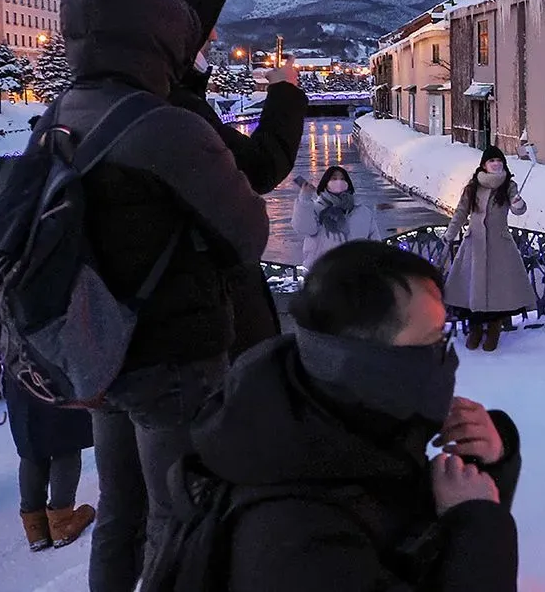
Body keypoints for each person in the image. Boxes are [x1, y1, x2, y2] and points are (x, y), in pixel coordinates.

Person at [54, 0, 272, 592]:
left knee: (120, 511)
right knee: (180, 514)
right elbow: (248, 234)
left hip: (96, 352)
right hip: (170, 358)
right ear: (158, 38)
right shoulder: (166, 125)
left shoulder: (62, 113)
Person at [179, 240, 520, 591]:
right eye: (434, 340)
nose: (446, 357)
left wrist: (488, 461)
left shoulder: (354, 431)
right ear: (371, 364)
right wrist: (479, 523)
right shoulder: (298, 542)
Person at [141, 0, 307, 357]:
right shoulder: (176, 109)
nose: (214, 36)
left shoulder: (119, 99)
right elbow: (261, 167)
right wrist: (284, 92)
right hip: (199, 335)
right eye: (206, 26)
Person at [0, 162, 97, 551]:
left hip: (16, 362)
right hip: (54, 358)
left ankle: (34, 527)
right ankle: (61, 519)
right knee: (66, 441)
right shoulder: (46, 236)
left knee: (32, 446)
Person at [443, 147, 533, 352]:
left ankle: (494, 328)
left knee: (497, 290)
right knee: (472, 289)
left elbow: (519, 208)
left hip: (499, 246)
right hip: (474, 244)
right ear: (483, 165)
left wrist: (518, 203)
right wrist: (450, 234)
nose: (495, 164)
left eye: (498, 160)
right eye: (491, 160)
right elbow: (460, 212)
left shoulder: (509, 185)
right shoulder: (473, 187)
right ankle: (475, 329)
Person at [293, 165, 381, 268]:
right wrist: (304, 199)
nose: (338, 182)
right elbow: (304, 228)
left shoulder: (362, 212)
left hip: (357, 274)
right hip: (322, 274)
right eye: (334, 178)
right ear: (325, 183)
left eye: (342, 179)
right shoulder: (315, 209)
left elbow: (375, 244)